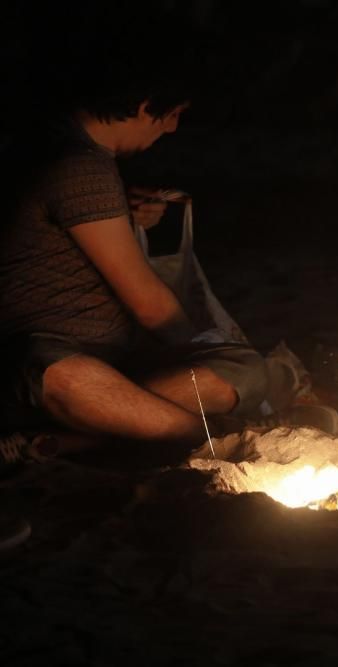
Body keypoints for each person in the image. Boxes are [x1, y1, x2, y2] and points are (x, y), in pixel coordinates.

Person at [0, 27, 270, 454]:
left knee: (245, 371)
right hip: (54, 365)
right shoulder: (79, 168)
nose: (173, 128)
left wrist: (125, 217)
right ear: (146, 105)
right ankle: (204, 440)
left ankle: (81, 437)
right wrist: (197, 348)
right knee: (74, 379)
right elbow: (149, 302)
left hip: (114, 363)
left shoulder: (56, 144)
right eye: (173, 113)